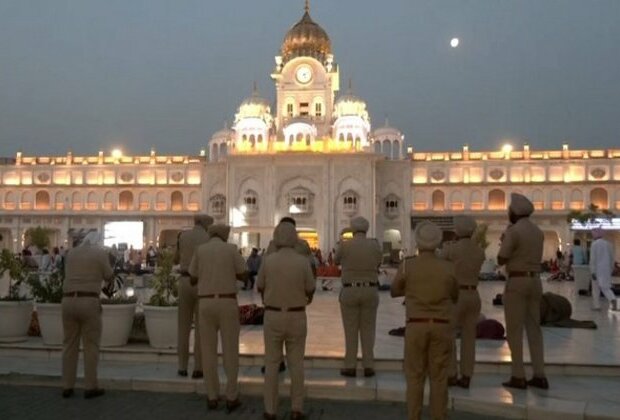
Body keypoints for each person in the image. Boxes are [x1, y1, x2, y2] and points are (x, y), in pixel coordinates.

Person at [391, 221, 458, 420]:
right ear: (438, 242)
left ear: (418, 242)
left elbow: (394, 291)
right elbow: (455, 295)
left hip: (416, 326)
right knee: (439, 378)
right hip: (441, 326)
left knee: (414, 377)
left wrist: (411, 290)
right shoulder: (448, 267)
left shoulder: (408, 265)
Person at [257, 222, 315, 420]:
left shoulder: (268, 260)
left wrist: (269, 297)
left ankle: (270, 410)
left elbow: (260, 286)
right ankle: (296, 409)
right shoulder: (302, 261)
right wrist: (306, 299)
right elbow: (311, 287)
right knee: (296, 364)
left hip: (272, 315)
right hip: (297, 315)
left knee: (272, 363)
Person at [189, 224, 246, 412]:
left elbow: (192, 277)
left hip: (205, 304)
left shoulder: (201, 250)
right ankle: (231, 396)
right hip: (227, 302)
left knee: (208, 351)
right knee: (230, 350)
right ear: (225, 236)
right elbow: (244, 274)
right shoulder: (231, 250)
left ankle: (212, 396)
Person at [497, 193, 548, 390]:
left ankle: (518, 375)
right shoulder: (538, 231)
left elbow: (502, 258)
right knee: (534, 328)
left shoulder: (514, 231)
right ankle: (539, 374)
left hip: (517, 281)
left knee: (515, 330)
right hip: (535, 281)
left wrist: (504, 241)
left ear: (514, 212)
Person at [61, 231, 114, 399]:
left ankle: (67, 386)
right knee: (91, 346)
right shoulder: (100, 253)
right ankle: (90, 386)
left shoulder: (71, 253)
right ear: (98, 241)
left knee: (69, 345)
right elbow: (109, 275)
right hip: (89, 301)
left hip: (68, 301)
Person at [439, 215, 485, 389]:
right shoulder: (479, 251)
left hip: (456, 296)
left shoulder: (451, 250)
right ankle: (467, 375)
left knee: (449, 335)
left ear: (457, 231)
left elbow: (440, 262)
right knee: (469, 338)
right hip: (474, 295)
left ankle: (451, 374)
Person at [334, 216, 382, 378]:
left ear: (352, 229)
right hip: (370, 290)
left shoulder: (345, 245)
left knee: (351, 330)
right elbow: (379, 261)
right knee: (369, 330)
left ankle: (350, 366)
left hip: (350, 291)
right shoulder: (374, 245)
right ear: (366, 229)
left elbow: (335, 261)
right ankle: (369, 365)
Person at [174, 214, 212, 378]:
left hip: (184, 281)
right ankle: (198, 368)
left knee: (183, 327)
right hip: (201, 283)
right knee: (201, 327)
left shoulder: (183, 236)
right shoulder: (208, 237)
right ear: (206, 224)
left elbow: (175, 258)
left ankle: (182, 367)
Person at [589, 228, 617, 311]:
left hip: (597, 270)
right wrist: (611, 269)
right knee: (605, 287)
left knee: (595, 289)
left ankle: (597, 306)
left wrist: (593, 271)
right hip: (606, 270)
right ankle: (612, 299)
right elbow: (612, 258)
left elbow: (593, 259)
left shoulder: (594, 244)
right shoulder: (608, 244)